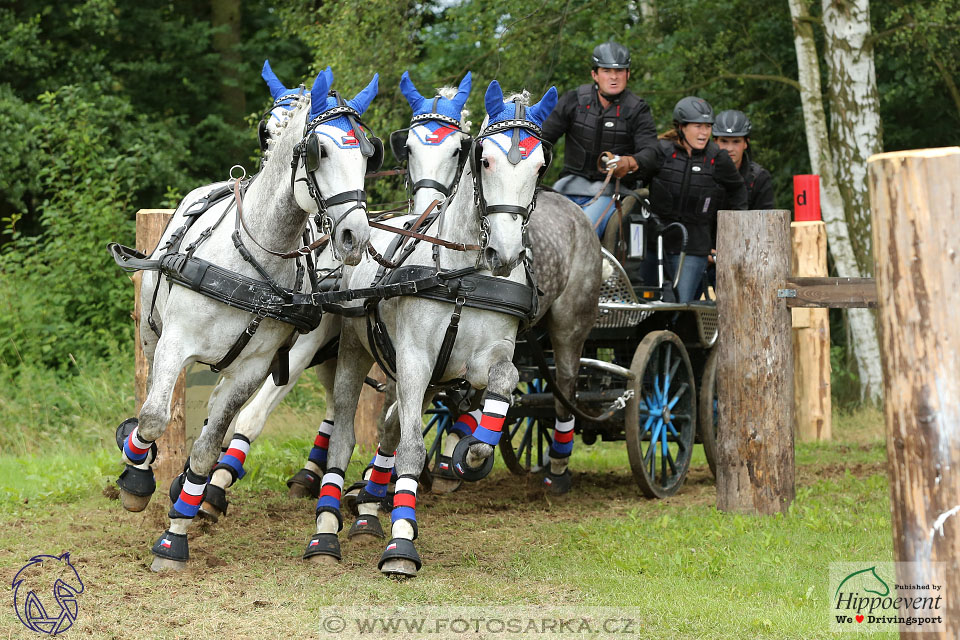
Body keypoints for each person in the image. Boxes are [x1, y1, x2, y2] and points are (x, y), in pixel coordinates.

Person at [540, 41, 660, 237]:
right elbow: (544, 136)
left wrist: (629, 162)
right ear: (594, 74)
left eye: (620, 71)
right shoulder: (574, 100)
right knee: (541, 229)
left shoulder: (638, 109)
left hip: (612, 192)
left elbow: (652, 153)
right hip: (568, 185)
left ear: (628, 74)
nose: (614, 77)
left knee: (583, 232)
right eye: (606, 70)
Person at [634, 96, 747, 302]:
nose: (704, 133)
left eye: (707, 127)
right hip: (655, 243)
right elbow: (637, 180)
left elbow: (738, 191)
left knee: (678, 304)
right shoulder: (661, 151)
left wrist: (730, 239)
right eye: (698, 126)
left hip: (693, 247)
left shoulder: (716, 158)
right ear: (681, 127)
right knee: (645, 302)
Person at [712, 110, 775, 210]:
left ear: (746, 143)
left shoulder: (759, 178)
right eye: (724, 141)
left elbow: (766, 221)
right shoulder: (704, 172)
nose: (729, 148)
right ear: (715, 142)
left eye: (736, 141)